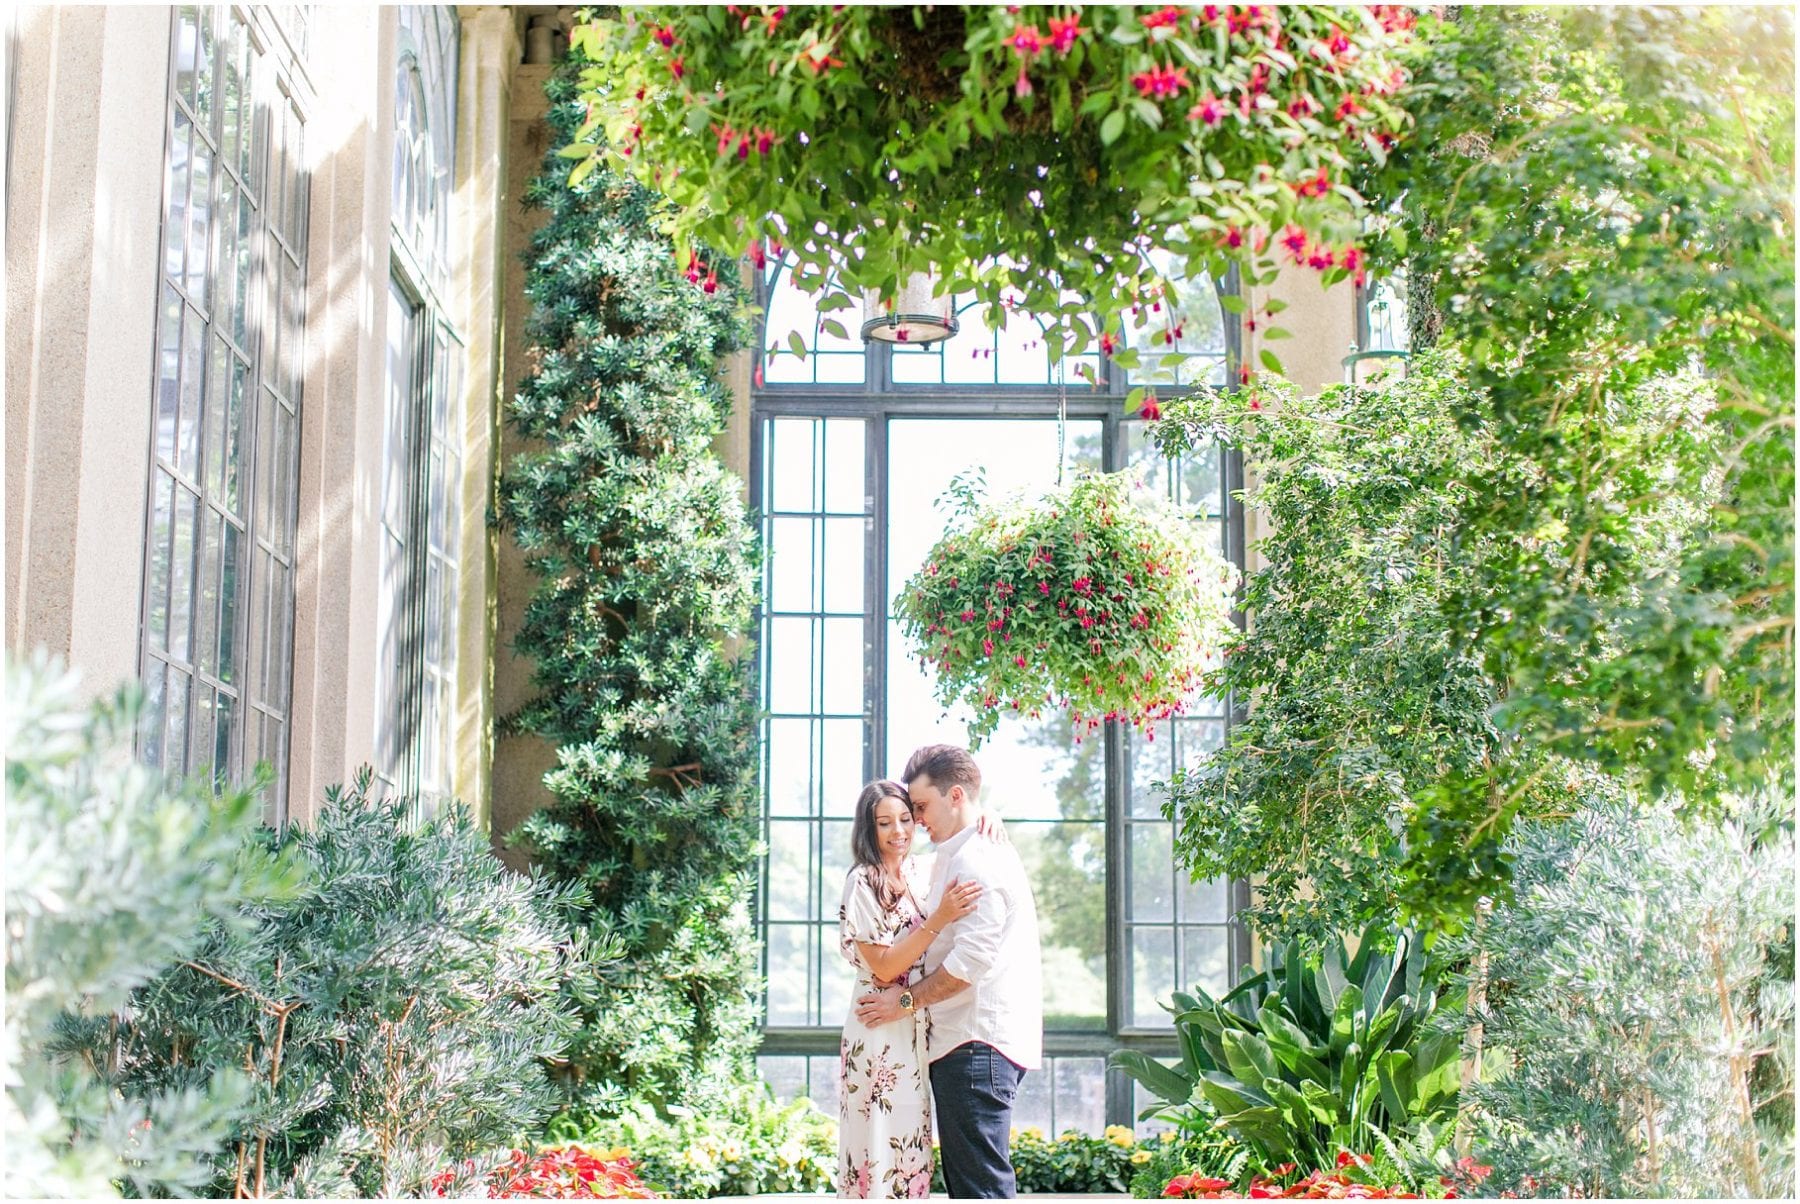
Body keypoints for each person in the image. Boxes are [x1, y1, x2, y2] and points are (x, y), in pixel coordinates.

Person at [856, 745, 1044, 1199]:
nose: (916, 820)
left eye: (920, 807)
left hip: (975, 1045)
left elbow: (967, 966)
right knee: (971, 1185)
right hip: (966, 1043)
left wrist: (901, 1002)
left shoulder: (976, 860)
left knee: (980, 1189)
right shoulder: (957, 853)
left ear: (955, 795)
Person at [836, 779, 985, 1199]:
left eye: (905, 818)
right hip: (878, 1020)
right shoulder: (863, 881)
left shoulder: (923, 870)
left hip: (913, 1019)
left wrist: (990, 819)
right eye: (885, 823)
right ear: (869, 828)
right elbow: (885, 965)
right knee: (879, 1137)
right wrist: (938, 918)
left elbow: (966, 831)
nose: (898, 831)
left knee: (910, 1141)